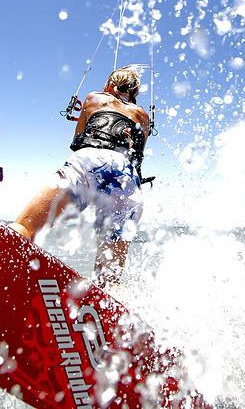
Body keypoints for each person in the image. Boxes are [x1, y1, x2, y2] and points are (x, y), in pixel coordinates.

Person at [9, 65, 150, 286]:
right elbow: (137, 154)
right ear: (134, 93)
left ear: (109, 85)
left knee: (24, 229)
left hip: (88, 161)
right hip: (125, 177)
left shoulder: (94, 98)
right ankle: (105, 311)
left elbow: (77, 142)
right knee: (109, 276)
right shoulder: (142, 115)